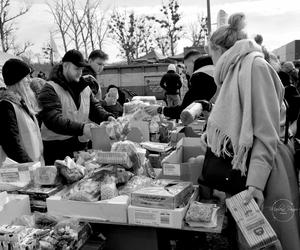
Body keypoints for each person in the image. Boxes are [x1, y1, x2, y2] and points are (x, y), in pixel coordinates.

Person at [205, 12, 300, 249]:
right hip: (251, 165)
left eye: (210, 54)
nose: (212, 60)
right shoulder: (237, 69)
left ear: (218, 49)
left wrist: (256, 184)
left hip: (267, 167)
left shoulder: (254, 67)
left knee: (271, 237)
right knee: (253, 238)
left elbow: (266, 131)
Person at [38, 49, 114, 165]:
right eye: (76, 69)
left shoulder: (85, 87)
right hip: (56, 150)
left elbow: (95, 109)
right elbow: (53, 120)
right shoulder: (49, 89)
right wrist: (82, 128)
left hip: (79, 147)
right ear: (66, 66)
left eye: (82, 69)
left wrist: (107, 117)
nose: (80, 72)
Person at [145, 56, 216, 120]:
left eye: (186, 67)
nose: (186, 72)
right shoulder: (218, 77)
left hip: (168, 94)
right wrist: (176, 88)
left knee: (171, 106)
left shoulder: (200, 80)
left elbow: (184, 110)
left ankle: (171, 117)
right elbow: (180, 84)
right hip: (175, 93)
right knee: (176, 105)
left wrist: (160, 109)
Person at [0, 59, 43, 164]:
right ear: (17, 80)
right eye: (26, 77)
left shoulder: (22, 104)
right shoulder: (6, 106)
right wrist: (30, 164)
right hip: (21, 171)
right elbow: (11, 145)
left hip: (33, 167)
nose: (30, 80)